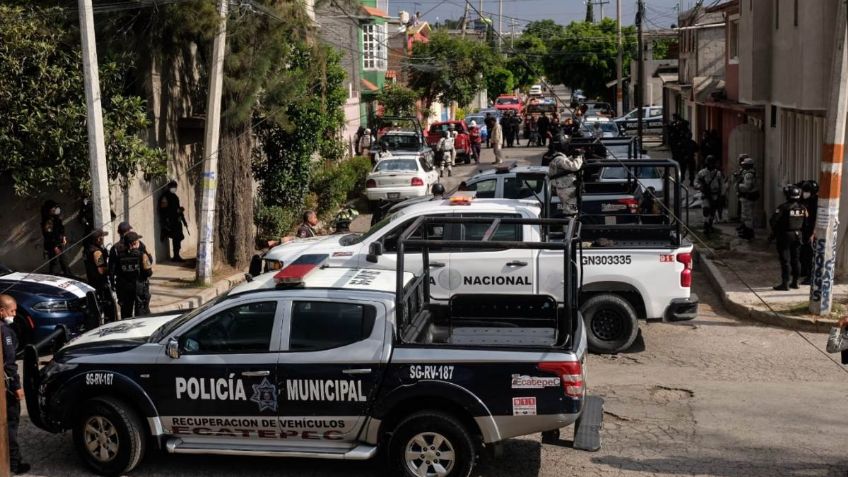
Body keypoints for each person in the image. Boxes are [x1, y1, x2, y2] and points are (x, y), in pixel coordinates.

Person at [0, 295, 28, 475]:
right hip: (6, 387)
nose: (15, 314)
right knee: (11, 423)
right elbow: (10, 363)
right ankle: (14, 463)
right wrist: (17, 386)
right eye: (12, 311)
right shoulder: (5, 332)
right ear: (2, 311)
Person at [769, 185, 808, 290]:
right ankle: (795, 282)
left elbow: (773, 221)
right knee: (796, 259)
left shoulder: (783, 207)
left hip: (785, 235)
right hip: (798, 235)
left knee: (785, 260)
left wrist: (776, 233)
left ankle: (785, 283)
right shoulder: (803, 208)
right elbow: (806, 224)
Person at [114, 231, 153, 318]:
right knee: (142, 314)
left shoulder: (119, 256)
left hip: (124, 288)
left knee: (126, 314)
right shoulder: (142, 255)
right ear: (134, 243)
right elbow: (148, 272)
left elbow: (116, 271)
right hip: (139, 288)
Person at [83, 229, 116, 325]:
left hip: (92, 281)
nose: (103, 239)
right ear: (98, 239)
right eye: (102, 237)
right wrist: (110, 269)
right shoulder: (97, 252)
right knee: (108, 307)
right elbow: (101, 270)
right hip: (100, 283)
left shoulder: (87, 249)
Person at [548, 133, 584, 216]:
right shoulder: (559, 159)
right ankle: (570, 228)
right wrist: (579, 157)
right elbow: (574, 166)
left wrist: (573, 156)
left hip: (564, 189)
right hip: (566, 190)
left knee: (571, 212)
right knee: (571, 213)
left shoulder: (557, 157)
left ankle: (571, 226)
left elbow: (566, 163)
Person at [695, 155, 726, 233]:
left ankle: (710, 224)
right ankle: (706, 224)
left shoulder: (718, 173)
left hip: (715, 194)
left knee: (713, 211)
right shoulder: (702, 173)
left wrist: (722, 195)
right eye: (709, 163)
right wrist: (700, 186)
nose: (711, 165)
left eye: (712, 163)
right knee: (706, 209)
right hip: (705, 194)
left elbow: (722, 185)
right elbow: (695, 182)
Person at [41, 200, 72, 276]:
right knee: (55, 263)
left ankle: (68, 275)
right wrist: (55, 247)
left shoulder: (56, 219)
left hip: (59, 244)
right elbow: (48, 235)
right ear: (49, 209)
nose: (56, 209)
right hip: (53, 246)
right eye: (54, 207)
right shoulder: (48, 221)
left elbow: (61, 229)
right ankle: (53, 277)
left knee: (63, 261)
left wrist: (63, 237)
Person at [158, 180, 186, 262]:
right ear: (169, 187)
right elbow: (163, 208)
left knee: (179, 237)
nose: (174, 189)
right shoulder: (165, 196)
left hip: (176, 220)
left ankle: (176, 255)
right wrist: (174, 212)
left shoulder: (175, 197)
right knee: (176, 237)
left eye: (175, 187)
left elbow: (176, 207)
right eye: (173, 187)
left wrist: (180, 211)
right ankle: (176, 256)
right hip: (170, 220)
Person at [798, 180, 819, 284]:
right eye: (804, 190)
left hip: (811, 231)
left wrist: (813, 233)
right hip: (804, 229)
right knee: (802, 252)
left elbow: (816, 219)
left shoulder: (815, 202)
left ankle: (810, 277)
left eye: (807, 191)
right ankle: (803, 271)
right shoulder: (803, 199)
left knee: (810, 254)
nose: (804, 193)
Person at [735, 154, 758, 239]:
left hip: (748, 197)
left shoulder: (748, 174)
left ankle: (749, 233)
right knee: (745, 215)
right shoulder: (748, 173)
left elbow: (747, 187)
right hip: (748, 197)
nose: (742, 165)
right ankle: (746, 231)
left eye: (744, 164)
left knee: (747, 216)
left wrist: (739, 185)